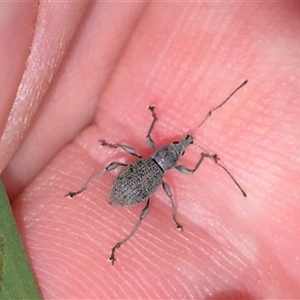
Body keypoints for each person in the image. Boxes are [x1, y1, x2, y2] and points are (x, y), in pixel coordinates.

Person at [1, 2, 299, 299]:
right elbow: (152, 140)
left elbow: (152, 142)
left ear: (170, 156)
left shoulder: (157, 157)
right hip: (131, 185)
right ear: (167, 153)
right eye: (178, 147)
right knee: (122, 180)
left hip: (136, 185)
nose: (179, 146)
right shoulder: (161, 158)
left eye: (178, 149)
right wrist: (193, 157)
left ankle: (115, 238)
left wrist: (197, 161)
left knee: (131, 196)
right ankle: (83, 193)